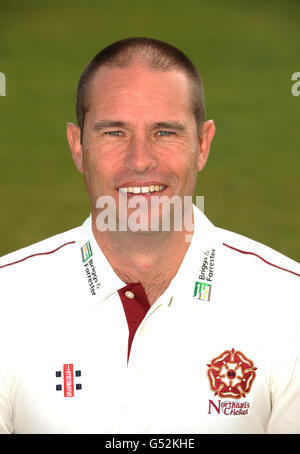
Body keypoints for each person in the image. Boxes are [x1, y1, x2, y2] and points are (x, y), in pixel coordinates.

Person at [0, 37, 299, 435]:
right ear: (78, 146)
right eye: (114, 133)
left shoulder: (288, 306)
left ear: (203, 145)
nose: (140, 160)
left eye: (164, 132)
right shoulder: (8, 300)